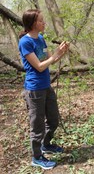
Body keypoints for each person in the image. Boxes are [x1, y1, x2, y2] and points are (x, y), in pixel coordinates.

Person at [18, 9, 69, 170]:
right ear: (33, 23)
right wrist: (54, 56)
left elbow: (48, 61)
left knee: (53, 119)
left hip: (46, 86)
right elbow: (39, 67)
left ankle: (46, 145)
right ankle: (37, 157)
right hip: (34, 90)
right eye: (41, 20)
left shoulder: (40, 38)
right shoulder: (25, 42)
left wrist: (60, 53)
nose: (44, 23)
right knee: (37, 125)